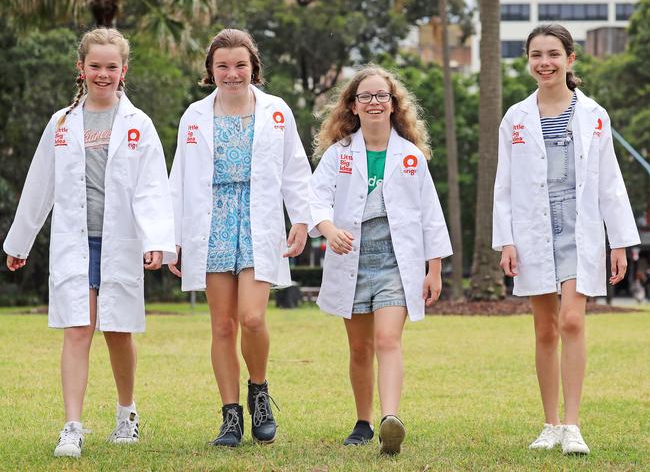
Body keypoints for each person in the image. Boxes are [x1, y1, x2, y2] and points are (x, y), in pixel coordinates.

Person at [3, 28, 176, 458]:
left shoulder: (139, 125)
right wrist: (19, 242)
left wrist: (157, 239)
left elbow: (153, 186)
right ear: (80, 68)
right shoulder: (61, 124)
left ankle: (126, 414)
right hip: (74, 243)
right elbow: (39, 184)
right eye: (95, 66)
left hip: (120, 242)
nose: (103, 74)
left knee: (117, 331)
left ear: (124, 71)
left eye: (111, 67)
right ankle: (72, 427)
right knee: (78, 329)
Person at [492, 24, 640, 455]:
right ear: (528, 61)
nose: (545, 62)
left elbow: (609, 181)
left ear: (570, 59)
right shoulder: (515, 117)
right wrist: (506, 240)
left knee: (572, 320)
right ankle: (550, 424)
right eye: (536, 54)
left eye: (554, 54)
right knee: (544, 330)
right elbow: (504, 183)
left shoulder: (594, 115)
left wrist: (619, 241)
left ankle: (572, 425)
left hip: (581, 226)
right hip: (533, 228)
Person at [166, 29, 311, 447]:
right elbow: (181, 178)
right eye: (223, 66)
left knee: (252, 318)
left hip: (257, 219)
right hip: (211, 221)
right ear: (211, 71)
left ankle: (259, 391)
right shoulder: (194, 116)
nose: (232, 73)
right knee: (224, 324)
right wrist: (173, 236)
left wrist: (300, 219)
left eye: (240, 65)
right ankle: (231, 414)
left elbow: (296, 170)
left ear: (254, 68)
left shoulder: (277, 111)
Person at [309, 65, 452, 455]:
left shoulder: (410, 157)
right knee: (360, 348)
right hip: (350, 256)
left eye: (382, 96)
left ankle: (391, 419)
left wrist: (434, 268)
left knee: (388, 339)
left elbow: (430, 214)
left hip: (395, 260)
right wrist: (328, 228)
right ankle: (363, 421)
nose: (374, 102)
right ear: (353, 106)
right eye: (365, 97)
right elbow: (315, 199)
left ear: (393, 105)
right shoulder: (339, 155)